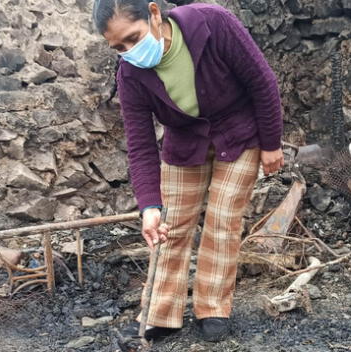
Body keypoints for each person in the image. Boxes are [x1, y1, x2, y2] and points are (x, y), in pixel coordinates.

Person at [92, 0, 284, 342]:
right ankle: (160, 314)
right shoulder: (130, 74)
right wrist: (149, 207)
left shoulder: (213, 24)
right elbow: (140, 144)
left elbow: (263, 83)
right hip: (184, 144)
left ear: (153, 13)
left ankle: (212, 308)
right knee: (170, 225)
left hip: (239, 134)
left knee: (223, 220)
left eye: (133, 39)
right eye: (118, 48)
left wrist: (271, 144)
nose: (130, 51)